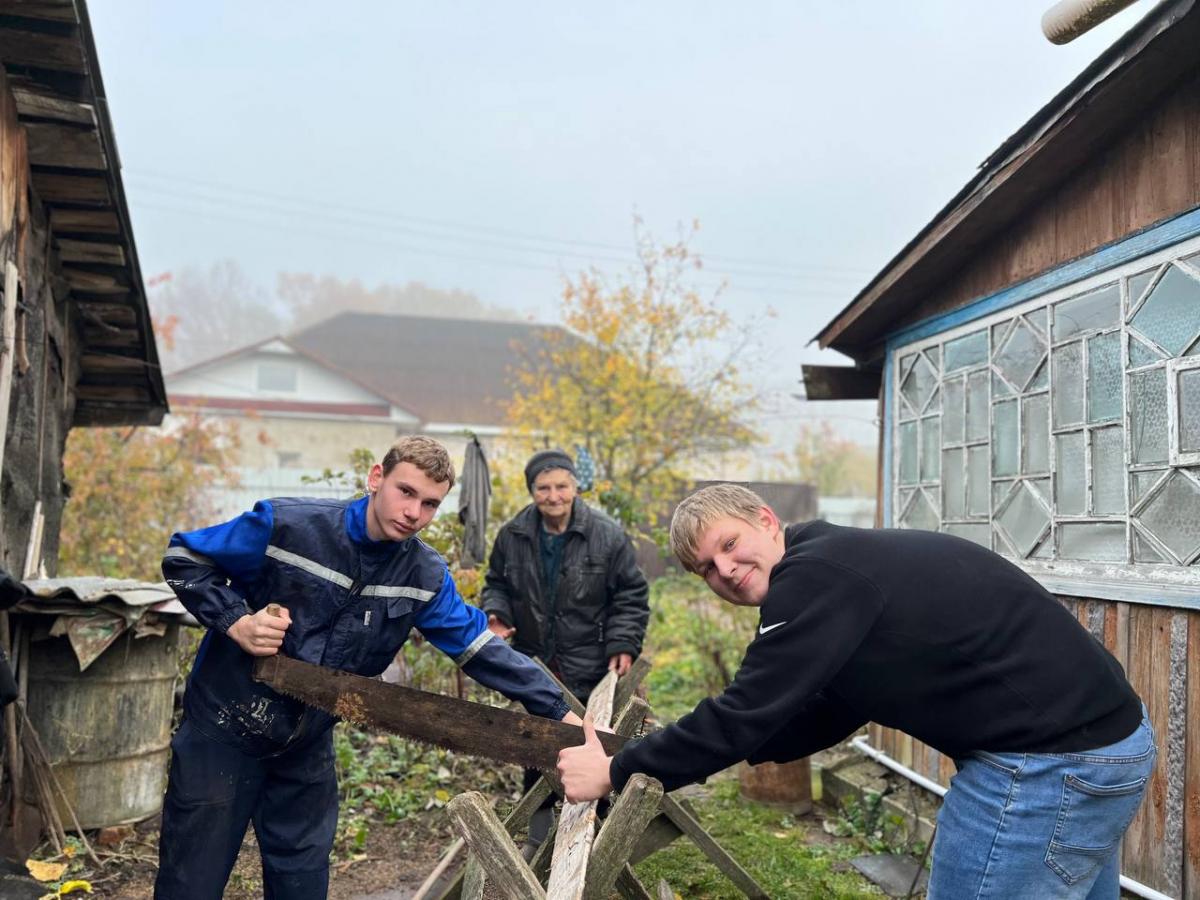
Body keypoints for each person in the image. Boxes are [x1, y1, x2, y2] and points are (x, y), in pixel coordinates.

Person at [559, 483, 1155, 899]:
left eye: (729, 544)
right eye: (707, 569)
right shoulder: (834, 564)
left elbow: (744, 712)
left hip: (1047, 767)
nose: (726, 570)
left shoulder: (813, 576)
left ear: (766, 520)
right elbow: (832, 706)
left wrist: (615, 770)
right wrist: (691, 748)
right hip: (1105, 748)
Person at [154, 436, 579, 900]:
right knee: (191, 881)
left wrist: (560, 712)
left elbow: (478, 647)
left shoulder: (423, 575)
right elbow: (184, 558)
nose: (414, 512)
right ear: (376, 478)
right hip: (224, 730)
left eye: (430, 504)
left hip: (306, 743)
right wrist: (237, 622)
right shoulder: (288, 525)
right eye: (406, 492)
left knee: (302, 882)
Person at [482, 447, 649, 858]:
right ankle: (537, 836)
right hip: (535, 660)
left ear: (575, 487)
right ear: (532, 491)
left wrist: (623, 643)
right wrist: (497, 614)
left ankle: (598, 834)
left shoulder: (606, 534)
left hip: (589, 658)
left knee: (593, 741)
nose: (553, 496)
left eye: (561, 486)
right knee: (536, 744)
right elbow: (496, 584)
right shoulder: (513, 534)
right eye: (543, 488)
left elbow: (630, 595)